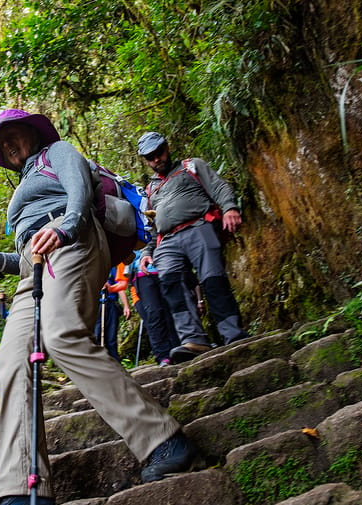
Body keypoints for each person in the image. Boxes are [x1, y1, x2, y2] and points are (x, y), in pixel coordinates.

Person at [0, 109, 195, 505]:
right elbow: (20, 261)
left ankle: (162, 438)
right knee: (9, 363)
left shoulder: (57, 153)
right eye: (1, 141)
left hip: (74, 240)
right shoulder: (22, 188)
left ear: (31, 133)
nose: (9, 144)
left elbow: (80, 193)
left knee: (62, 333)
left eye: (14, 134)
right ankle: (22, 491)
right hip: (37, 267)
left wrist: (65, 229)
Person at [137, 131, 248, 362]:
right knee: (171, 286)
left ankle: (232, 334)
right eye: (150, 157)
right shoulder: (150, 190)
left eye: (158, 153)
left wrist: (229, 208)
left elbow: (218, 187)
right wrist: (147, 253)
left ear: (167, 148)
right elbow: (153, 225)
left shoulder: (191, 167)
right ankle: (194, 340)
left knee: (213, 280)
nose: (156, 160)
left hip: (198, 227)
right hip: (166, 241)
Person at [129, 251, 180, 366]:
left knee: (172, 310)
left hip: (165, 267)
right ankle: (163, 355)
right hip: (142, 274)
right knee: (154, 313)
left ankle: (178, 347)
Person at [93, 263, 131, 361]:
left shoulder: (113, 267)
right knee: (96, 336)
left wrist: (126, 306)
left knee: (111, 338)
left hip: (111, 303)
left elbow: (120, 286)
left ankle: (115, 363)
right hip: (95, 305)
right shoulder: (91, 265)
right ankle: (96, 363)